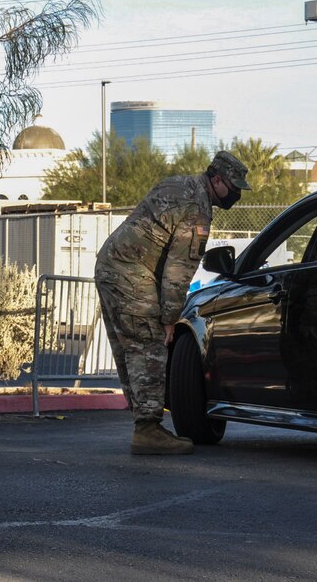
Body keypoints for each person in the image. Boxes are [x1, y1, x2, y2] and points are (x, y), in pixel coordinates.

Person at [95, 150, 250, 455]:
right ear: (216, 180)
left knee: (131, 349)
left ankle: (144, 423)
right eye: (233, 187)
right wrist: (170, 319)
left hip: (111, 265)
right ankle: (148, 431)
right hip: (132, 271)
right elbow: (179, 271)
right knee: (148, 345)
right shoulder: (197, 209)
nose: (236, 195)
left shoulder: (178, 183)